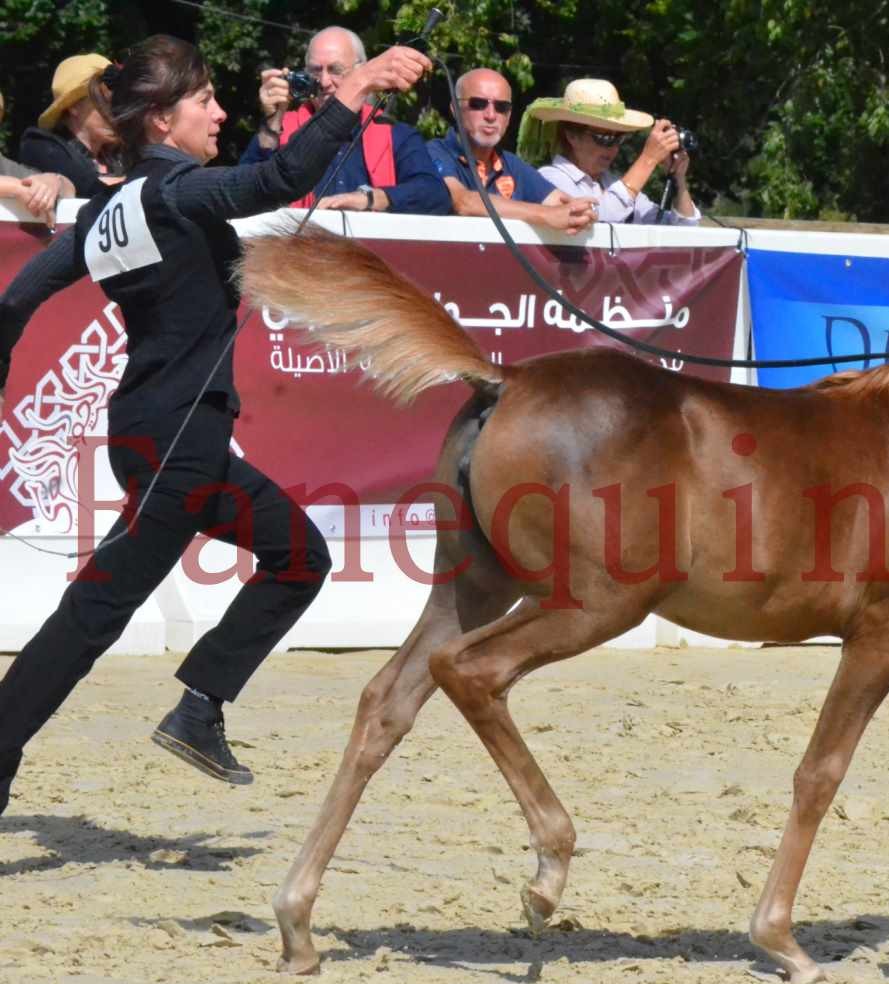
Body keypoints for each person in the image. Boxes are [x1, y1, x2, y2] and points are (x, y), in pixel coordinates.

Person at [0, 34, 432, 817]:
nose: (220, 111)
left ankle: (200, 705)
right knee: (94, 614)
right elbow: (285, 174)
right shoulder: (176, 193)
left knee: (299, 556)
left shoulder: (107, 209)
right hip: (179, 446)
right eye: (205, 100)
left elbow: (16, 300)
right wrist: (358, 84)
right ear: (161, 121)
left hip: (161, 439)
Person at [242, 26, 447, 215]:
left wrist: (369, 198)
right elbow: (243, 191)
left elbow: (435, 195)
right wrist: (273, 121)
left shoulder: (394, 133)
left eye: (335, 70)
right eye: (315, 71)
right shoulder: (283, 127)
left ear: (362, 70)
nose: (324, 82)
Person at [427, 67, 595, 233]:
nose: (491, 115)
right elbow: (463, 202)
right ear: (455, 109)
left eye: (501, 107)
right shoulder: (433, 152)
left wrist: (581, 214)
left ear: (509, 115)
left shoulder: (513, 165)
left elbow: (563, 206)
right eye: (478, 104)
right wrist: (545, 215)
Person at [526, 79, 699, 226]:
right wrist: (648, 159)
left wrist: (679, 179)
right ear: (571, 136)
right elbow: (600, 219)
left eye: (619, 138)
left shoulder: (612, 183)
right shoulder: (548, 179)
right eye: (604, 138)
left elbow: (684, 228)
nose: (614, 148)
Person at [18, 53, 124, 195]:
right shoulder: (40, 146)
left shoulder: (122, 155)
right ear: (73, 106)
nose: (117, 112)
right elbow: (87, 187)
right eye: (106, 101)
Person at [1, 90, 73, 227]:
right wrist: (14, 188)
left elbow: (69, 190)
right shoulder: (16, 182)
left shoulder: (6, 167)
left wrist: (53, 182)